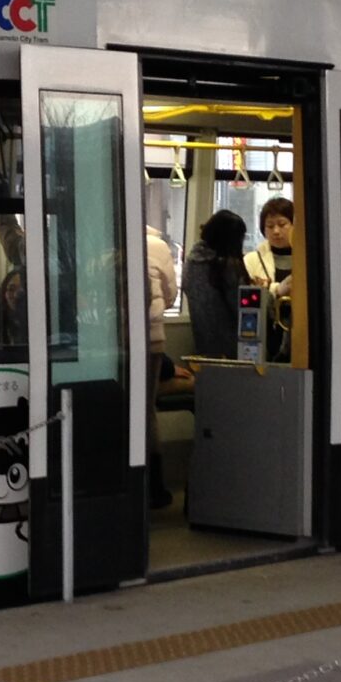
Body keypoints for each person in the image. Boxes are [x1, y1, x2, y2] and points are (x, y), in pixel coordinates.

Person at [143, 198, 179, 508]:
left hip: (106, 341)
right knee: (145, 411)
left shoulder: (99, 239)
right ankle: (154, 487)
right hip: (151, 340)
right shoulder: (158, 246)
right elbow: (170, 295)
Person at [184, 208, 249, 360]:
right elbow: (241, 308)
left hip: (202, 343)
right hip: (232, 347)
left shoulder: (191, 262)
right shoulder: (226, 266)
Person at [244, 195, 297, 361]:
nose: (276, 231)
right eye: (270, 226)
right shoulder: (252, 260)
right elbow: (248, 296)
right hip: (266, 331)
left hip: (300, 332)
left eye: (282, 225)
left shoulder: (307, 259)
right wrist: (276, 289)